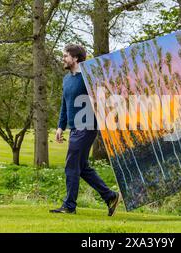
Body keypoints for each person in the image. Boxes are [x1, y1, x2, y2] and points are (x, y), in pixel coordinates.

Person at [50, 44, 122, 216]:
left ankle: (69, 206)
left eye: (66, 56)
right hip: (75, 127)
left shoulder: (89, 77)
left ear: (75, 58)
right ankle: (110, 196)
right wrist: (61, 126)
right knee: (81, 167)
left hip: (88, 125)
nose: (63, 59)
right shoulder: (67, 79)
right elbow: (64, 105)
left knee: (71, 165)